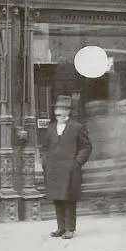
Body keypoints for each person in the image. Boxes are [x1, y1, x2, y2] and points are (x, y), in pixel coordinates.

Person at [41, 95, 93, 239]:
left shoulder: (77, 127)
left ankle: (70, 228)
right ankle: (61, 228)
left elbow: (86, 146)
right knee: (57, 199)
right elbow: (44, 147)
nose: (58, 113)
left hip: (70, 170)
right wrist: (45, 162)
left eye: (62, 110)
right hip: (54, 170)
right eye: (57, 110)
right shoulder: (50, 128)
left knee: (69, 199)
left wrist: (77, 163)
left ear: (68, 112)